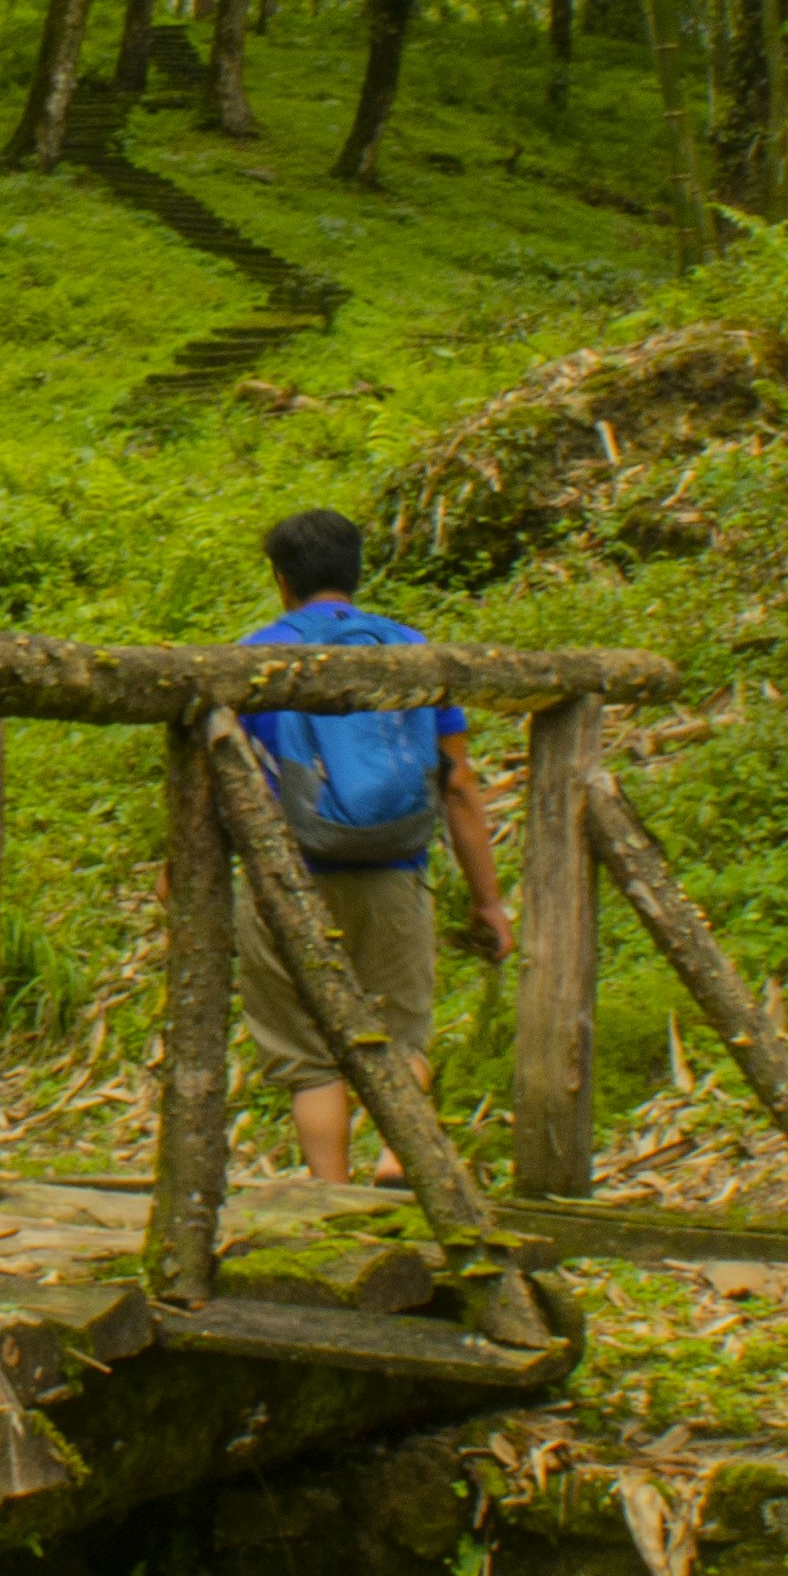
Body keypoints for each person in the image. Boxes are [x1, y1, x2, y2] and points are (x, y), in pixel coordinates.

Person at [231, 505, 506, 1187]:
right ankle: (398, 1155)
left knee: (308, 1055)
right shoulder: (412, 652)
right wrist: (490, 901)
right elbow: (459, 784)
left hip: (286, 875)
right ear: (355, 572)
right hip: (395, 867)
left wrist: (181, 874)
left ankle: (331, 1196)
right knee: (402, 1033)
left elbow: (217, 779)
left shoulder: (251, 658)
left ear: (280, 579)